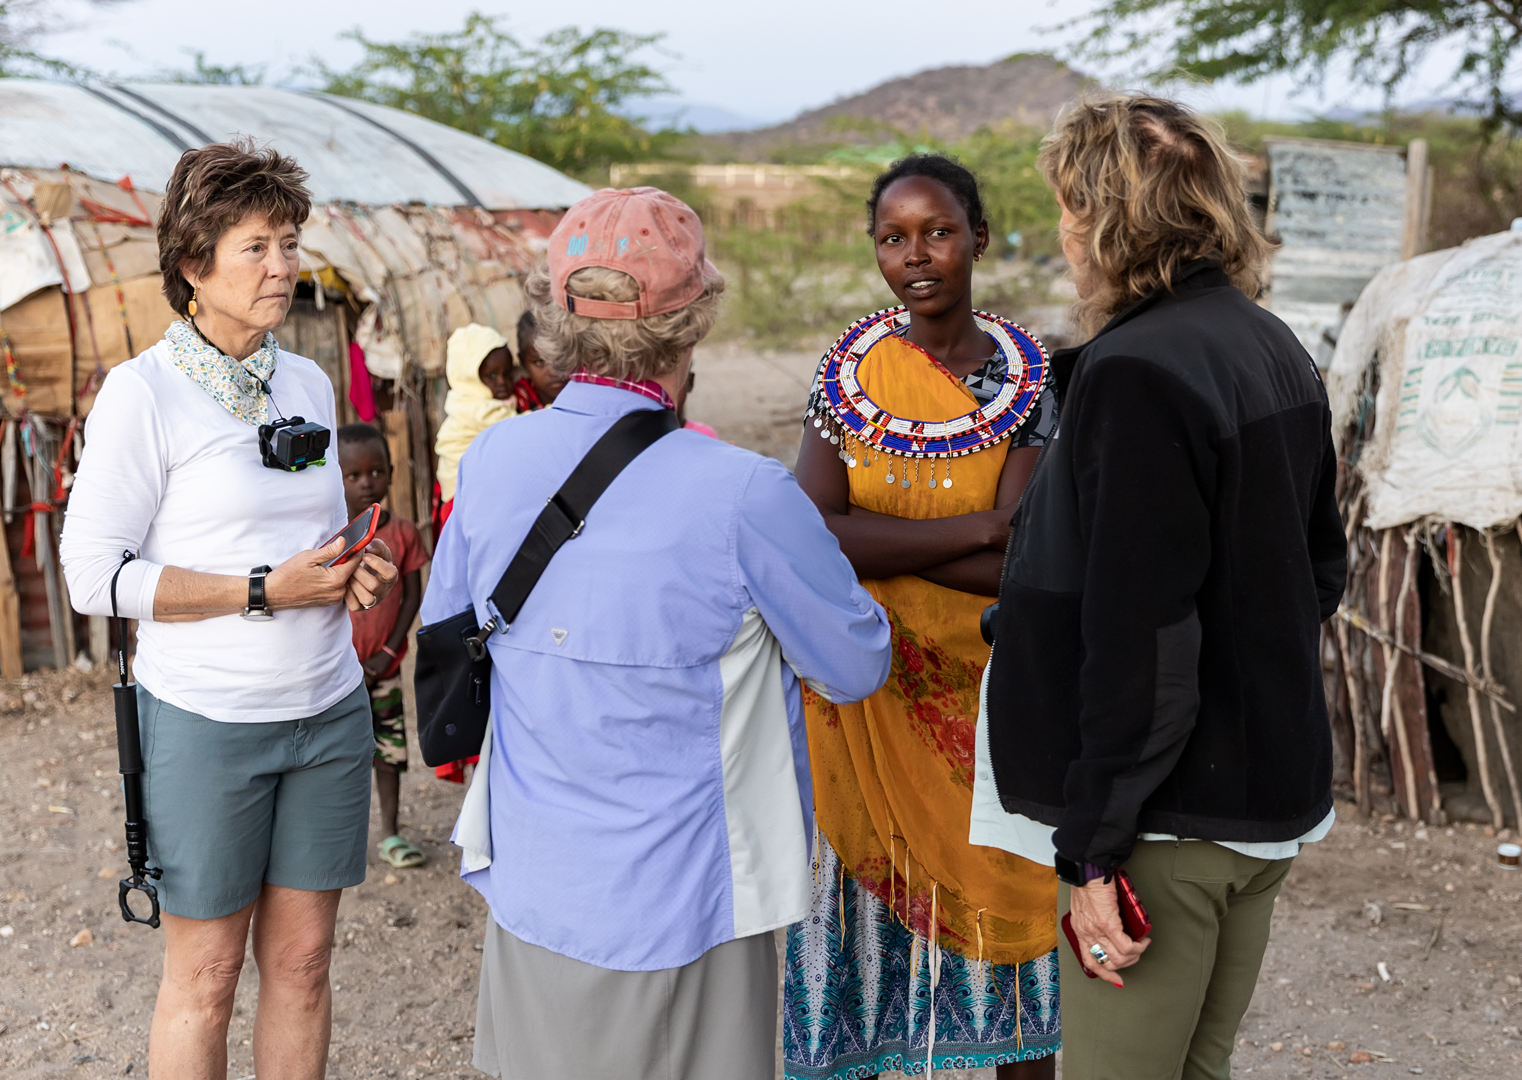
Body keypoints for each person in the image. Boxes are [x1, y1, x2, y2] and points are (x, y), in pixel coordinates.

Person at [423, 186, 892, 1080]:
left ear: (559, 317)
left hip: (537, 885)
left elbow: (451, 628)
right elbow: (857, 664)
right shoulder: (746, 493)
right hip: (692, 902)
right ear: (693, 324)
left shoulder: (491, 462)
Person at [982, 92, 1346, 1080]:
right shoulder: (1270, 345)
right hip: (1255, 802)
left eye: (1068, 202)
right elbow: (1315, 570)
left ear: (1108, 217)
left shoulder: (1136, 373)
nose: (1059, 227)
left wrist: (1095, 849)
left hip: (1163, 825)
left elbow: (1143, 634)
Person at [59, 140, 399, 1080]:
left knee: (303, 962)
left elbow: (319, 537)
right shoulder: (142, 395)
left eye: (289, 243)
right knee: (205, 975)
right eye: (256, 246)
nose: (283, 266)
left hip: (326, 714)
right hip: (207, 724)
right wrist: (260, 591)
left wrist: (348, 573)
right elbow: (92, 576)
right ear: (191, 266)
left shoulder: (306, 381)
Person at [786, 154, 1060, 1080]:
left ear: (978, 238)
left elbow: (1024, 565)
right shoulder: (850, 376)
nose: (917, 256)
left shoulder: (1030, 379)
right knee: (871, 941)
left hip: (987, 703)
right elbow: (810, 530)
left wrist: (882, 535)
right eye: (893, 237)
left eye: (938, 231)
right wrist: (978, 525)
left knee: (1014, 913)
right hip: (866, 696)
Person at [337, 423, 430, 870]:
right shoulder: (332, 539)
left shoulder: (405, 533)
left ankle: (391, 834)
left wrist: (389, 654)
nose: (366, 482)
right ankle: (337, 839)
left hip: (384, 671)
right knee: (336, 757)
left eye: (375, 472)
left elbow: (412, 596)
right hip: (335, 676)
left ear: (391, 473)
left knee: (389, 752)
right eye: (352, 475)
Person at [433, 322, 515, 535]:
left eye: (507, 373)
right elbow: (523, 428)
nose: (502, 382)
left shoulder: (460, 401)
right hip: (463, 501)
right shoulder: (480, 408)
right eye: (491, 376)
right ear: (468, 376)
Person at [509, 309, 565, 411]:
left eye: (559, 358)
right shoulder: (514, 403)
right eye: (539, 362)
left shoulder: (589, 388)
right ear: (523, 362)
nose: (553, 371)